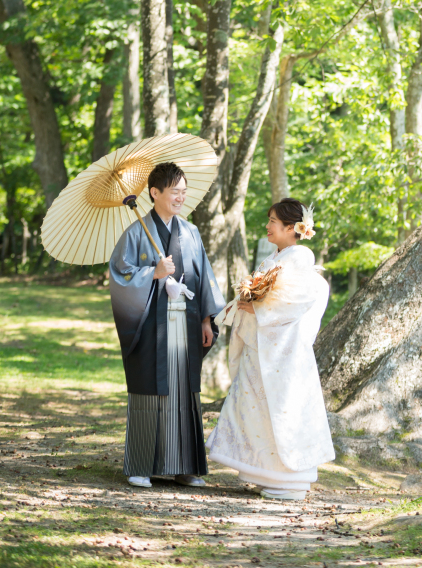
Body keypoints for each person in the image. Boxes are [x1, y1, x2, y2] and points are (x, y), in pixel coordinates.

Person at [206, 197, 335, 500]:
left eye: (273, 222)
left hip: (282, 352)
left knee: (280, 412)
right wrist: (247, 302)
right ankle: (267, 473)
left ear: (292, 228)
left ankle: (288, 480)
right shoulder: (277, 257)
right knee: (257, 410)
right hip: (263, 348)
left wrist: (259, 308)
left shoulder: (300, 258)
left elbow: (297, 299)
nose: (267, 226)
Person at [109, 161, 225, 489]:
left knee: (182, 391)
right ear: (154, 193)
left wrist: (205, 318)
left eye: (184, 192)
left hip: (185, 321)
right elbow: (120, 275)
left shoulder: (190, 232)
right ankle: (141, 465)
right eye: (175, 192)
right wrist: (152, 274)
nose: (180, 197)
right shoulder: (135, 231)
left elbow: (203, 277)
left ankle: (184, 467)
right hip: (149, 324)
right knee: (149, 390)